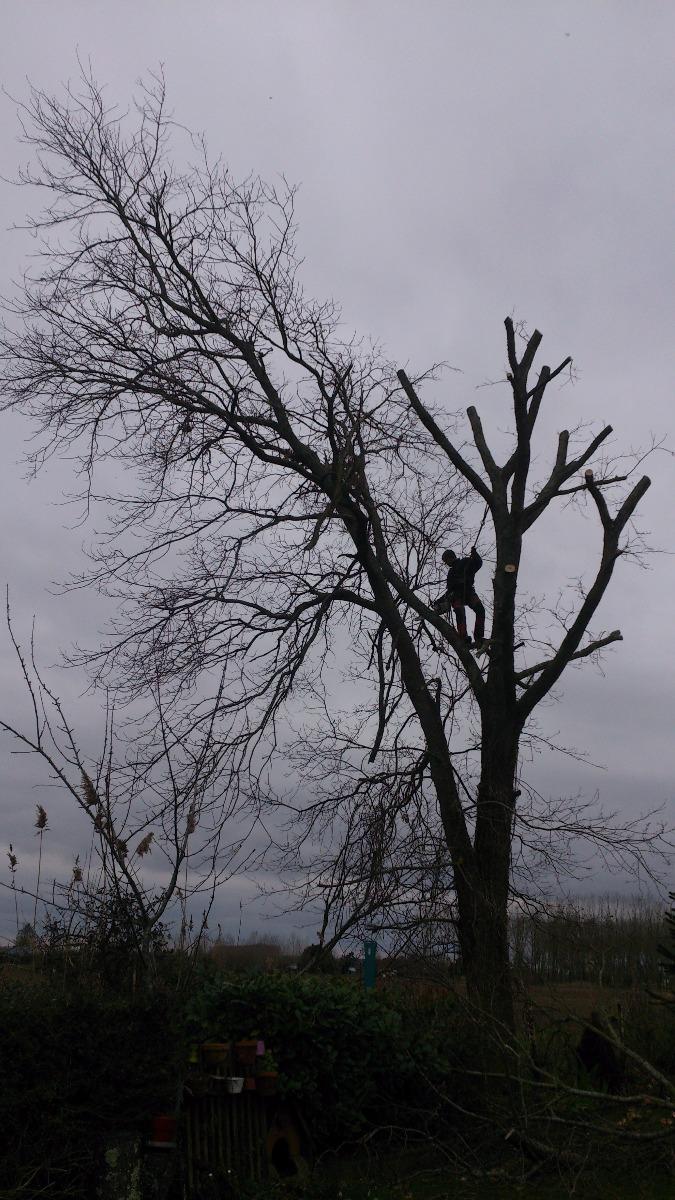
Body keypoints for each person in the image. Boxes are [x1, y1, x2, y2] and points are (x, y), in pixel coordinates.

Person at [433, 545, 487, 650]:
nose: (446, 563)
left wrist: (475, 554)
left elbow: (478, 563)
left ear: (450, 557)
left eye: (446, 561)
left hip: (468, 592)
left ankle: (478, 637)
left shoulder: (465, 562)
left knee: (480, 610)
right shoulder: (451, 573)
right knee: (460, 613)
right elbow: (449, 590)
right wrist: (440, 601)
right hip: (456, 596)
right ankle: (463, 638)